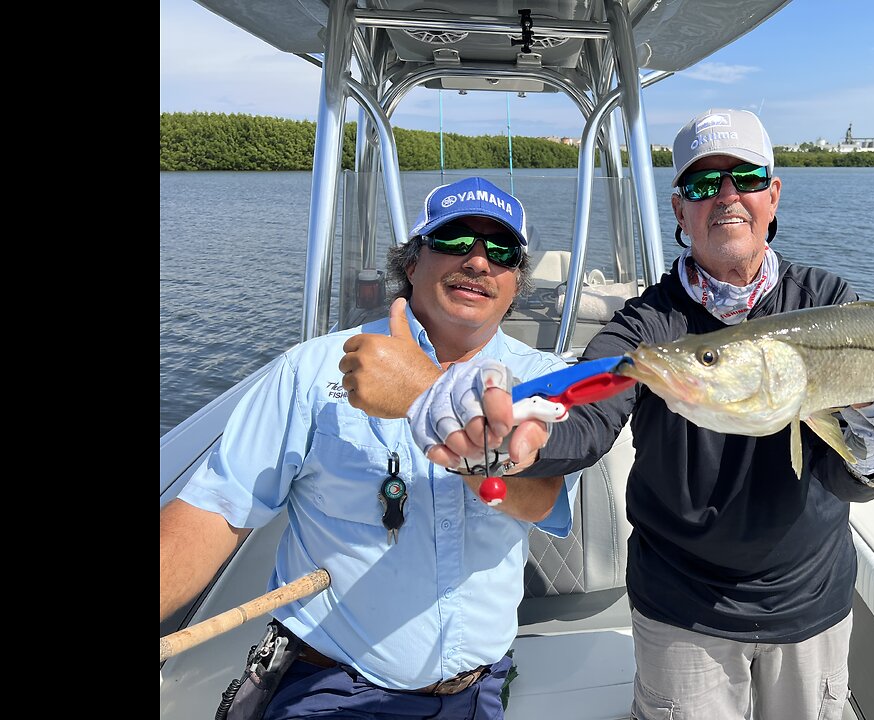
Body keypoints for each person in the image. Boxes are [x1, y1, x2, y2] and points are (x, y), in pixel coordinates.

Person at [341, 110, 874, 720]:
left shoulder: (829, 305)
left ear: (773, 194)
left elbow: (846, 479)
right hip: (682, 609)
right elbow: (582, 420)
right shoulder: (646, 328)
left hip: (811, 601)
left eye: (746, 177)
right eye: (703, 185)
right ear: (679, 210)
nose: (727, 197)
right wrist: (515, 437)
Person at [159, 176, 580, 720]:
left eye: (501, 251)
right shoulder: (311, 371)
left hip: (477, 690)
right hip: (331, 685)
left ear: (515, 283)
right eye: (454, 241)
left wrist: (424, 397)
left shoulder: (544, 380)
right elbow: (216, 511)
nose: (478, 262)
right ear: (411, 263)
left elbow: (537, 496)